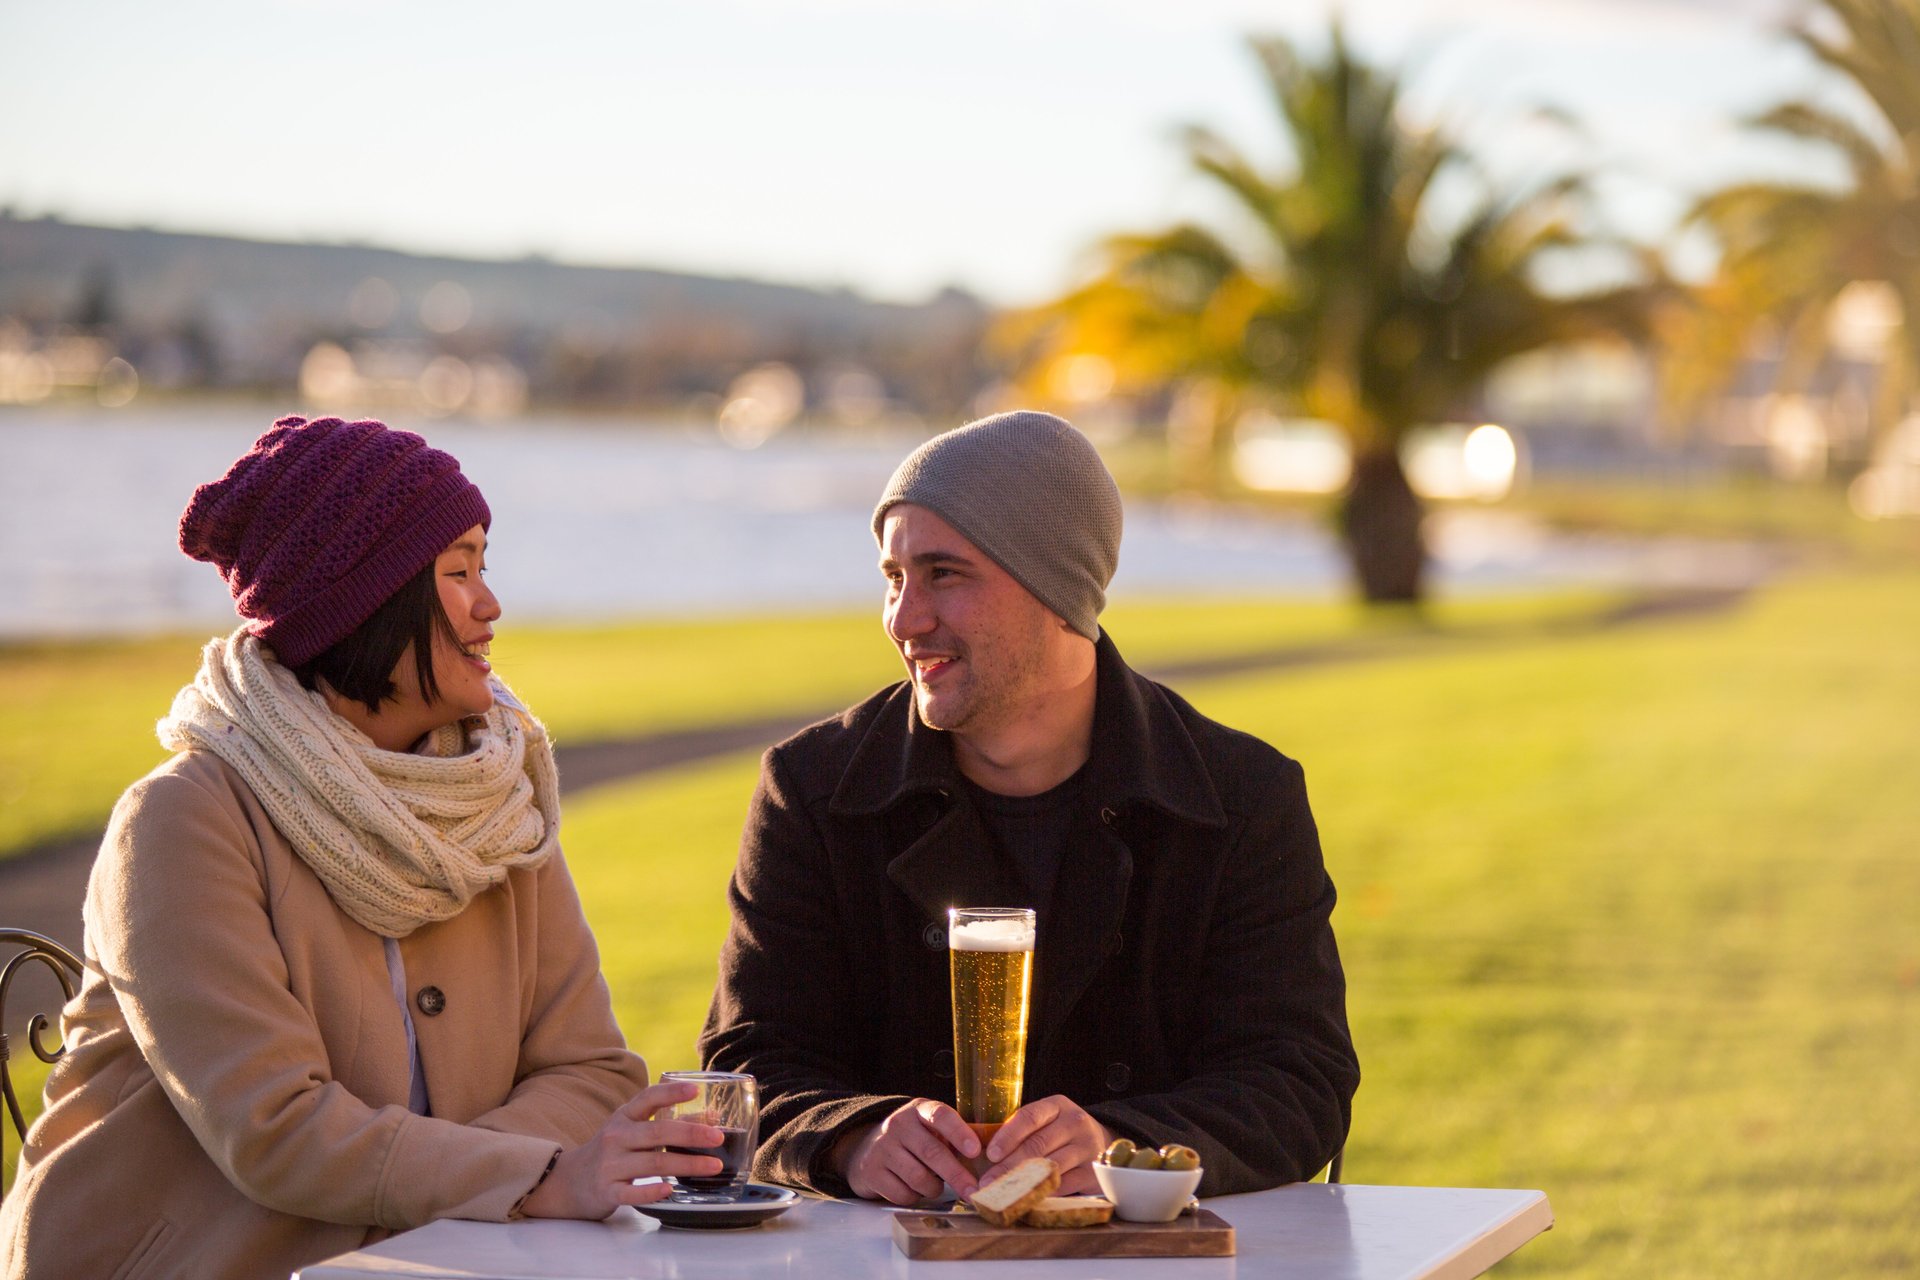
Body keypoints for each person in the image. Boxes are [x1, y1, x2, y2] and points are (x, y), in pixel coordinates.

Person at [1, 417, 724, 1280]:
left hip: (426, 1262)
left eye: (483, 568)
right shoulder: (183, 821)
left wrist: (474, 1185)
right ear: (366, 599)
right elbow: (275, 1129)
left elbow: (595, 1070)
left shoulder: (494, 801)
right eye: (456, 573)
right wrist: (530, 1174)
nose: (489, 604)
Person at [699, 410, 1359, 1206]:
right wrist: (852, 1136)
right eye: (893, 577)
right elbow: (742, 1065)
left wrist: (1124, 1147)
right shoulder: (812, 791)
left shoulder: (1239, 798)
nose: (905, 619)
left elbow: (1298, 1079)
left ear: (1056, 587)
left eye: (944, 574)